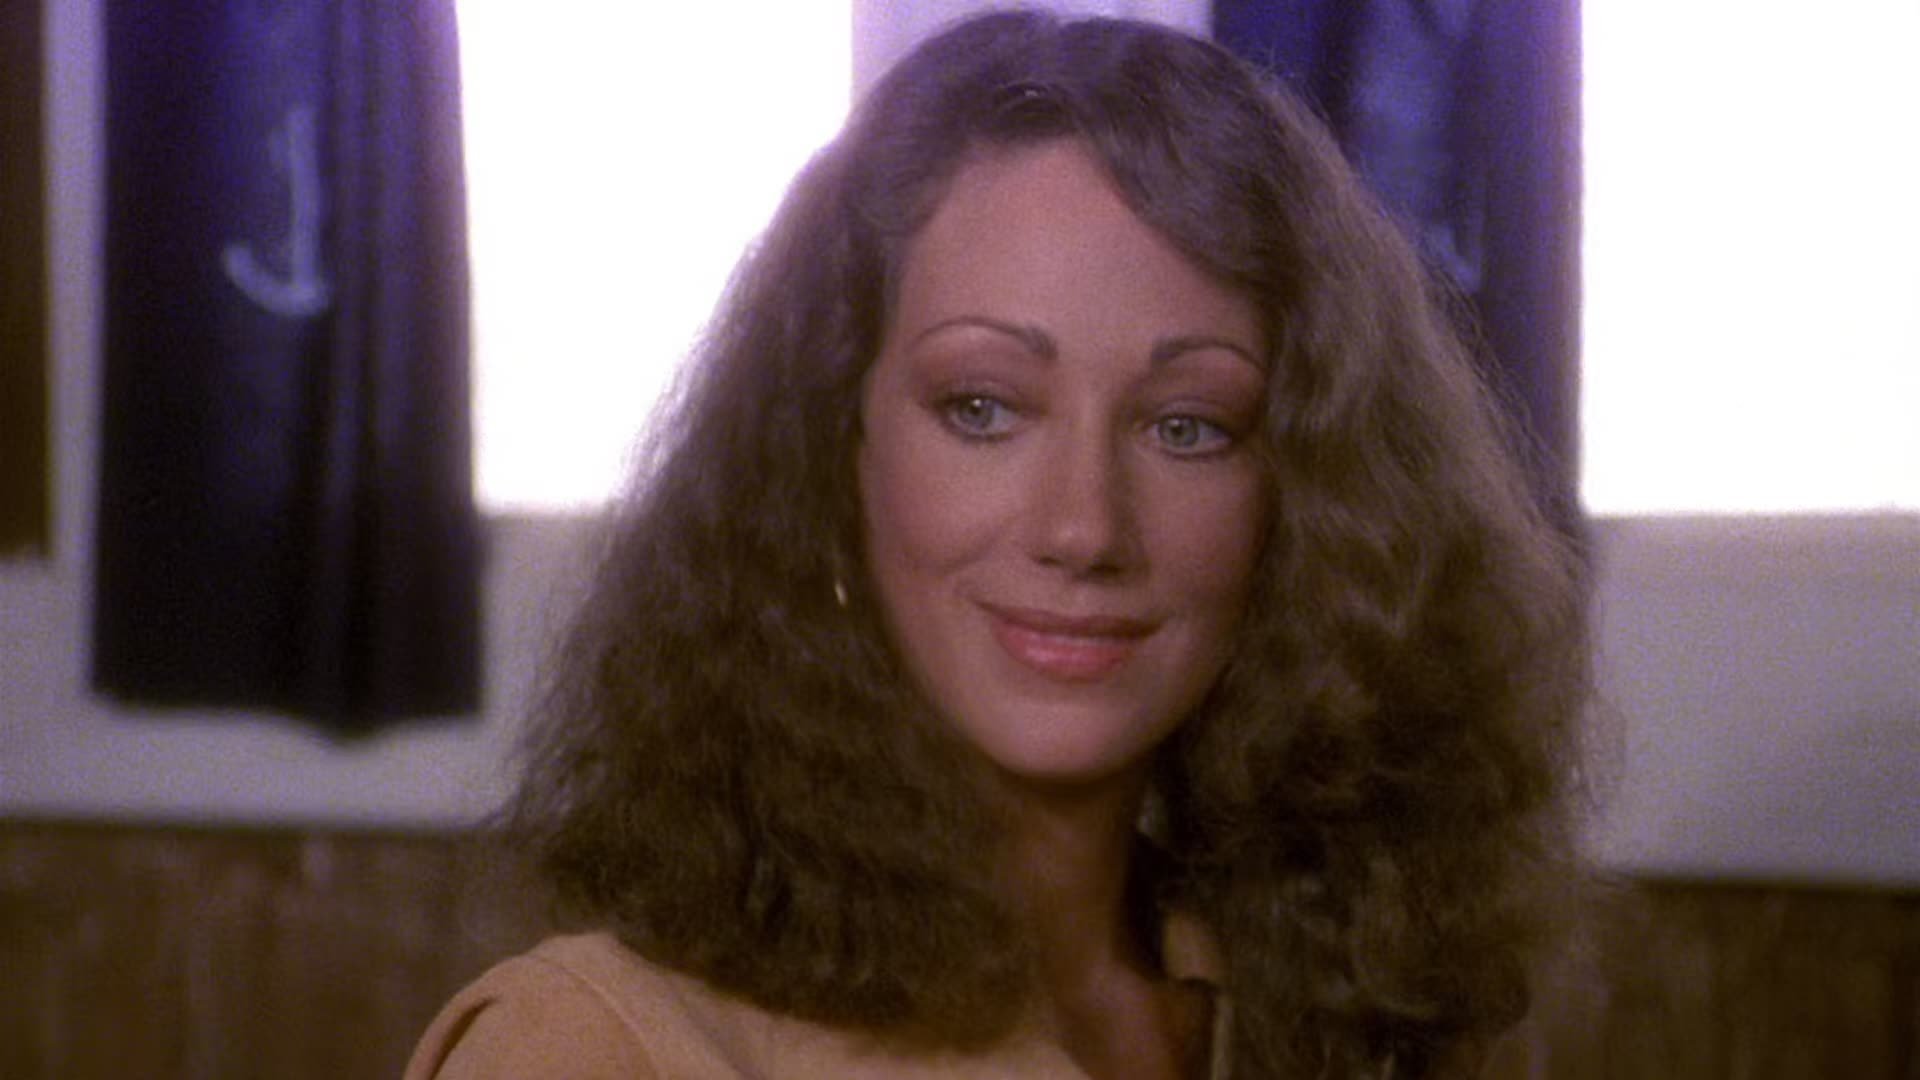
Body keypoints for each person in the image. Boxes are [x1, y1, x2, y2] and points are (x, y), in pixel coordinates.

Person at [407, 10, 1589, 1079]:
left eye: (1187, 426)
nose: (1085, 528)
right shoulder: (594, 1047)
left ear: (1306, 502)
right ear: (830, 454)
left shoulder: (1338, 1024)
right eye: (982, 407)